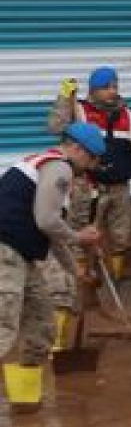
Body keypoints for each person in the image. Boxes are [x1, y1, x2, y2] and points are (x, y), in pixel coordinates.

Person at [0, 124, 104, 411]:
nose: (93, 166)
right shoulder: (60, 168)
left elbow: (52, 235)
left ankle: (25, 404)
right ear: (78, 150)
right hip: (5, 249)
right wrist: (79, 236)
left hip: (20, 253)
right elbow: (47, 221)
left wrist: (76, 270)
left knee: (42, 324)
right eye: (93, 158)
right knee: (4, 327)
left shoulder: (48, 167)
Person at [47, 67, 131, 280]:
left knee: (120, 237)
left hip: (119, 186)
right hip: (87, 184)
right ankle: (80, 285)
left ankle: (113, 282)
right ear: (93, 90)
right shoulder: (80, 111)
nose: (112, 91)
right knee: (80, 234)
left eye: (115, 86)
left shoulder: (128, 115)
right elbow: (56, 127)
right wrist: (64, 98)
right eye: (106, 87)